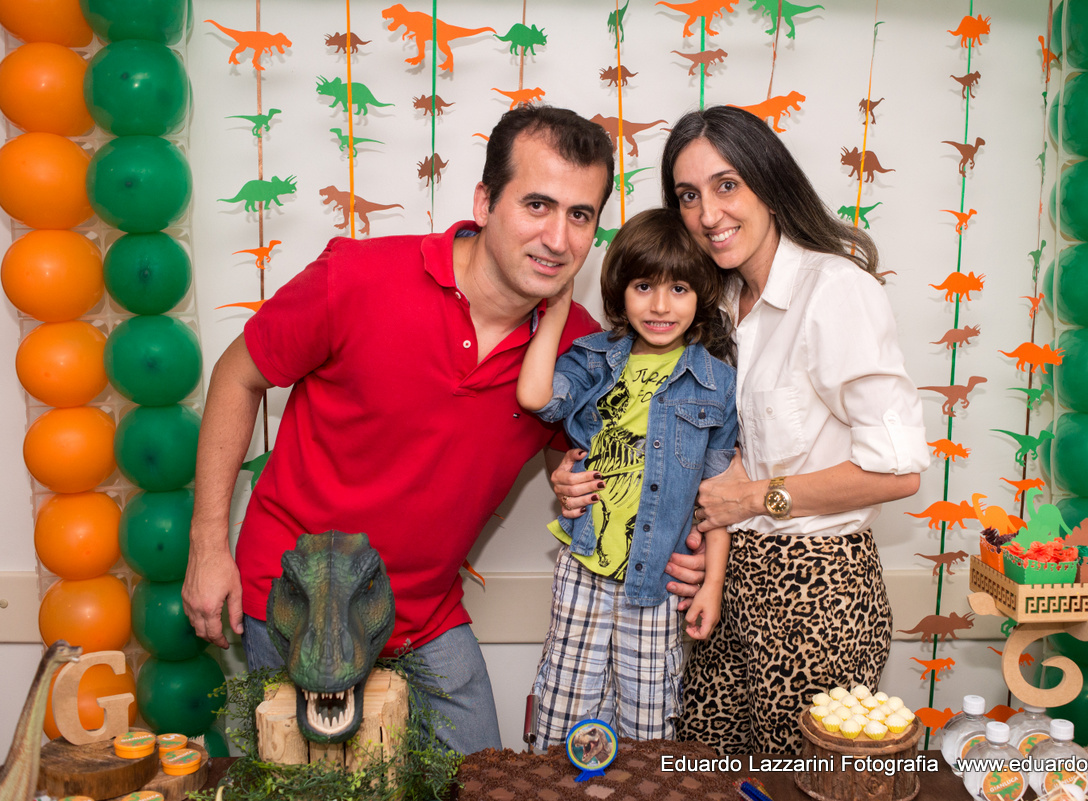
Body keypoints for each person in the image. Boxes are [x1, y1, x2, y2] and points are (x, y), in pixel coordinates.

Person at [179, 106, 707, 756]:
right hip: (300, 596)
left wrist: (576, 483)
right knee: (312, 784)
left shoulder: (580, 348)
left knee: (488, 778)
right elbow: (238, 375)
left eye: (580, 214)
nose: (558, 237)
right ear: (485, 200)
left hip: (424, 615)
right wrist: (207, 546)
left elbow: (575, 456)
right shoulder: (358, 277)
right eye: (537, 204)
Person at [555, 106, 930, 754]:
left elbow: (898, 470)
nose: (708, 213)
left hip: (816, 592)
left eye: (727, 185)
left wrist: (753, 499)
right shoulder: (710, 300)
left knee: (798, 783)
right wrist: (581, 468)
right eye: (689, 195)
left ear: (768, 181)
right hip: (714, 588)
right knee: (705, 774)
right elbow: (664, 430)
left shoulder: (834, 291)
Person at [517, 208, 737, 749]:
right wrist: (558, 306)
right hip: (585, 571)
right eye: (644, 287)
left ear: (700, 294)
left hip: (657, 586)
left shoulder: (715, 383)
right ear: (620, 292)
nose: (661, 306)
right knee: (562, 719)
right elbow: (535, 398)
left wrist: (711, 582)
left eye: (679, 288)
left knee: (646, 734)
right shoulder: (594, 360)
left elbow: (717, 497)